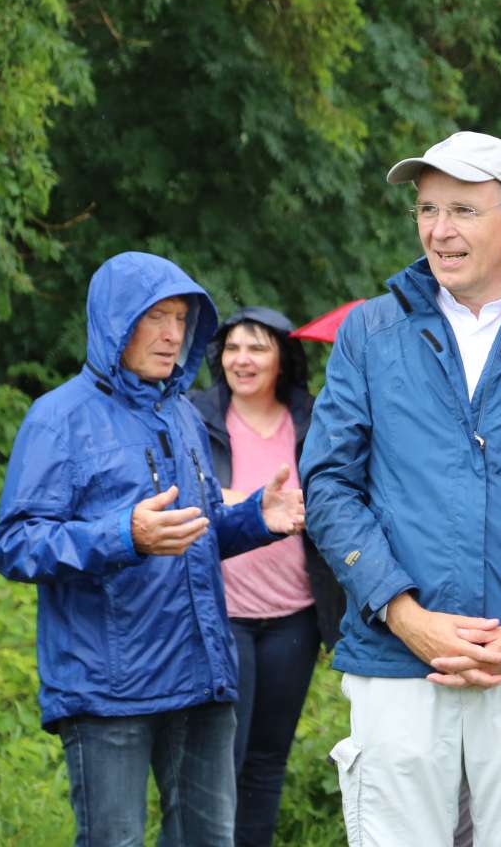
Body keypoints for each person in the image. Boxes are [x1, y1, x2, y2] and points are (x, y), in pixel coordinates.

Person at [301, 131, 501, 846]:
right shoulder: (371, 332)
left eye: (463, 210)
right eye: (426, 209)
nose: (439, 232)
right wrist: (402, 612)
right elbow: (329, 482)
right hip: (397, 660)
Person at [0, 252, 305, 846]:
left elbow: (197, 530)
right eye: (155, 317)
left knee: (210, 840)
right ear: (116, 321)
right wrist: (122, 536)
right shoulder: (58, 420)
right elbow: (16, 543)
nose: (172, 335)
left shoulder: (183, 415)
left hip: (201, 675)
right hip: (109, 686)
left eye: (183, 320)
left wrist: (253, 520)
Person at [191, 307, 344, 845]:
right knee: (220, 760)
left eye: (257, 347)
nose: (242, 359)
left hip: (295, 618)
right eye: (232, 348)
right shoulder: (197, 416)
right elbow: (185, 495)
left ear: (282, 357)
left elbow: (340, 492)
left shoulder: (313, 418)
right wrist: (241, 501)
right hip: (222, 614)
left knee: (266, 760)